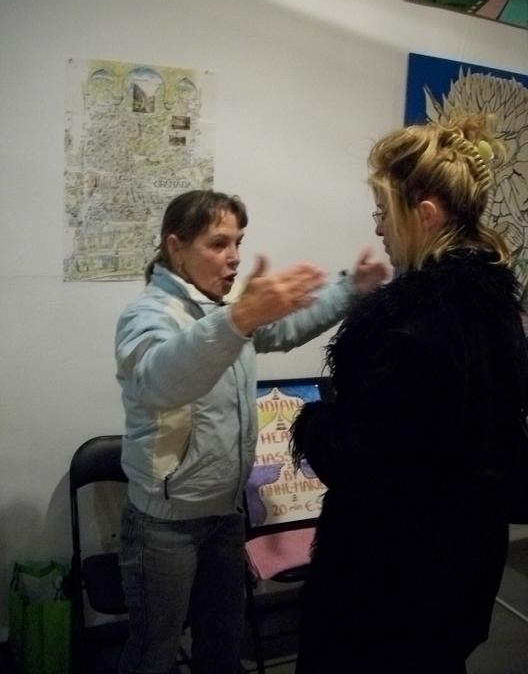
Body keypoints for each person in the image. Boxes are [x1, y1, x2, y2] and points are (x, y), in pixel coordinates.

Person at [290, 115, 528, 674]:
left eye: (382, 212)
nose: (378, 229)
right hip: (464, 568)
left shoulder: (415, 327)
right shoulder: (497, 310)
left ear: (425, 214)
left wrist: (314, 420)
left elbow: (362, 461)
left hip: (388, 582)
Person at [114, 189, 388, 674]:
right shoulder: (149, 315)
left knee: (222, 649)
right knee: (153, 655)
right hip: (164, 526)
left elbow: (285, 329)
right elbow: (158, 381)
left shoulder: (225, 310)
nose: (235, 256)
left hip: (225, 515)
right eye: (218, 243)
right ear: (176, 247)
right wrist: (239, 317)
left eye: (238, 242)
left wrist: (351, 289)